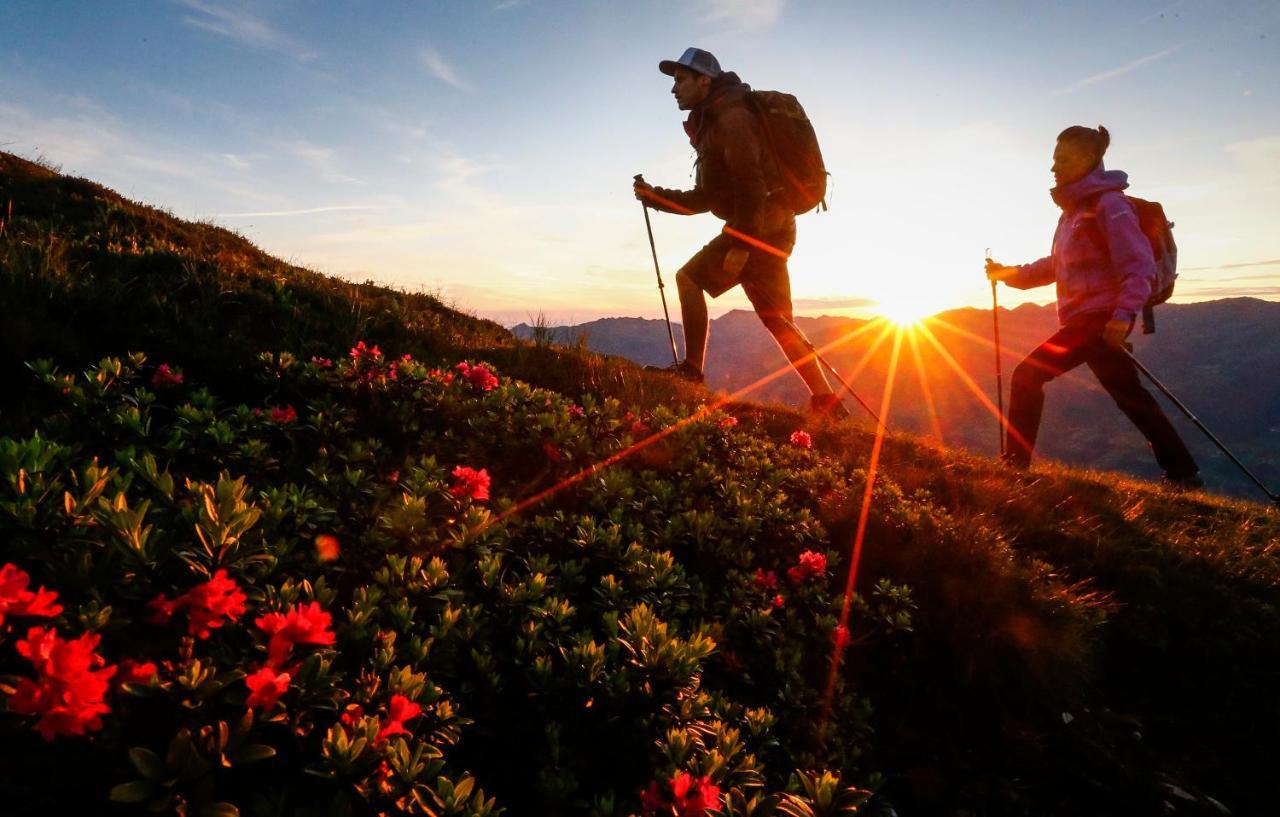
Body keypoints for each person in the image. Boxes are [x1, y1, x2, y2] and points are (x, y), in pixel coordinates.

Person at [634, 47, 846, 418]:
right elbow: (708, 197)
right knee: (777, 318)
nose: (674, 89)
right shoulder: (714, 120)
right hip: (774, 227)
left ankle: (692, 373)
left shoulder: (730, 119)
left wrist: (741, 247)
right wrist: (656, 197)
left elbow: (751, 185)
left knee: (689, 279)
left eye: (680, 80)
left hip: (760, 227)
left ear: (705, 80)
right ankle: (827, 402)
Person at [986, 125, 1201, 487]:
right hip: (1092, 319)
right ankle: (1183, 472)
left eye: (1063, 159)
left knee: (1028, 375)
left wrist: (1123, 315)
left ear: (1089, 159)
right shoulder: (1072, 213)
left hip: (1099, 318)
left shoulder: (1110, 205)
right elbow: (1056, 265)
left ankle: (1014, 466)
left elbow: (1139, 265)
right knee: (1129, 396)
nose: (1053, 167)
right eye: (1054, 159)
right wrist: (1009, 273)